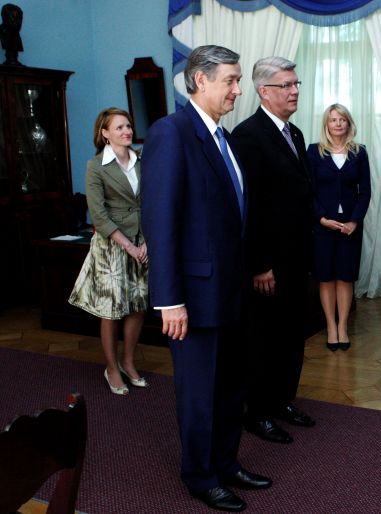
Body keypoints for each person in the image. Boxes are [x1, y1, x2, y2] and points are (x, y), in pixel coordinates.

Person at [141, 45, 271, 513]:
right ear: (200, 80)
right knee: (200, 394)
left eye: (238, 80)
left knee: (231, 386)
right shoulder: (171, 133)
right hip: (192, 298)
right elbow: (160, 221)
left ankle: (226, 463)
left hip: (231, 292)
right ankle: (200, 476)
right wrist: (169, 300)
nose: (238, 90)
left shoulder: (224, 137)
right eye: (231, 80)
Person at [232, 56, 315, 445]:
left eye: (296, 84)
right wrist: (260, 264)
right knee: (264, 338)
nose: (295, 91)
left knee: (292, 334)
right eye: (287, 85)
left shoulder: (294, 133)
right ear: (264, 91)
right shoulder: (248, 136)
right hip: (268, 264)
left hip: (297, 257)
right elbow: (250, 207)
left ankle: (283, 400)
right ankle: (258, 413)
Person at [69, 107, 149, 396]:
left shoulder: (142, 160)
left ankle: (128, 362)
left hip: (142, 241)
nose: (127, 131)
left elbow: (152, 201)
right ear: (104, 133)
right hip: (112, 245)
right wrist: (128, 246)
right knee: (112, 310)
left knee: (138, 305)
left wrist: (146, 242)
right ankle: (112, 368)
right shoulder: (96, 166)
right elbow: (99, 215)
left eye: (128, 126)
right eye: (119, 127)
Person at [307, 104, 371, 352]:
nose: (338, 124)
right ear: (326, 124)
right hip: (323, 225)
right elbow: (309, 190)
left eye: (342, 119)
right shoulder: (314, 151)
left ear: (348, 123)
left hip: (350, 227)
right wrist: (321, 218)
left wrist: (354, 221)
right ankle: (330, 327)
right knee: (326, 277)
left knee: (345, 277)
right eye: (333, 120)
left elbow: (365, 192)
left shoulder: (359, 152)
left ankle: (343, 326)